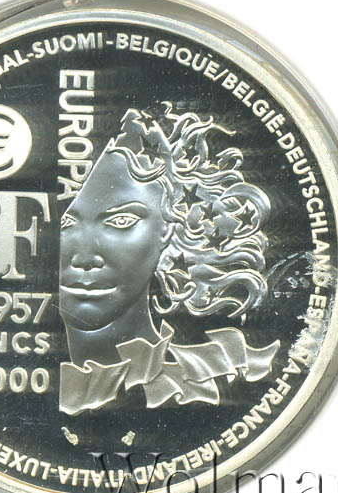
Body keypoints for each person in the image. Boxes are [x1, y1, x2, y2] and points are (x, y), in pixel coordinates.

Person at [58, 102, 279, 416]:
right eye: (66, 223)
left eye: (120, 221)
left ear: (169, 228)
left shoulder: (214, 378)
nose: (84, 257)